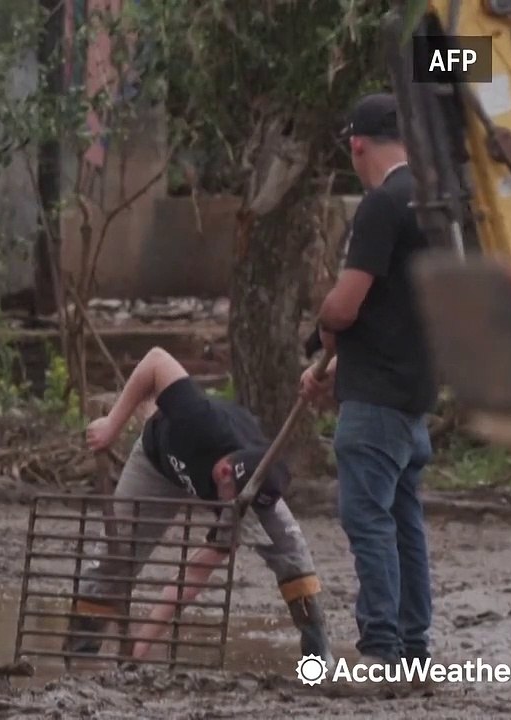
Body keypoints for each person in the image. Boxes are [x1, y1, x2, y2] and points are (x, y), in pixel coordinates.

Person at [64, 345, 334, 666]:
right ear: (223, 472)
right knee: (115, 555)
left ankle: (318, 653)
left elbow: (193, 575)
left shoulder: (252, 491)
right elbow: (156, 359)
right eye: (230, 500)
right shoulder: (199, 419)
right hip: (157, 461)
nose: (229, 508)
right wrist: (112, 424)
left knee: (290, 548)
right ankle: (80, 652)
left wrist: (138, 650)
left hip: (200, 459)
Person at [301, 92, 439, 666]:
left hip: (375, 400)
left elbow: (345, 306)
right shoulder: (434, 202)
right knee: (405, 523)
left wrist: (323, 331)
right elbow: (396, 308)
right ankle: (414, 647)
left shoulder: (382, 204)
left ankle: (381, 647)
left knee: (368, 521)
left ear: (357, 144)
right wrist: (332, 363)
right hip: (413, 395)